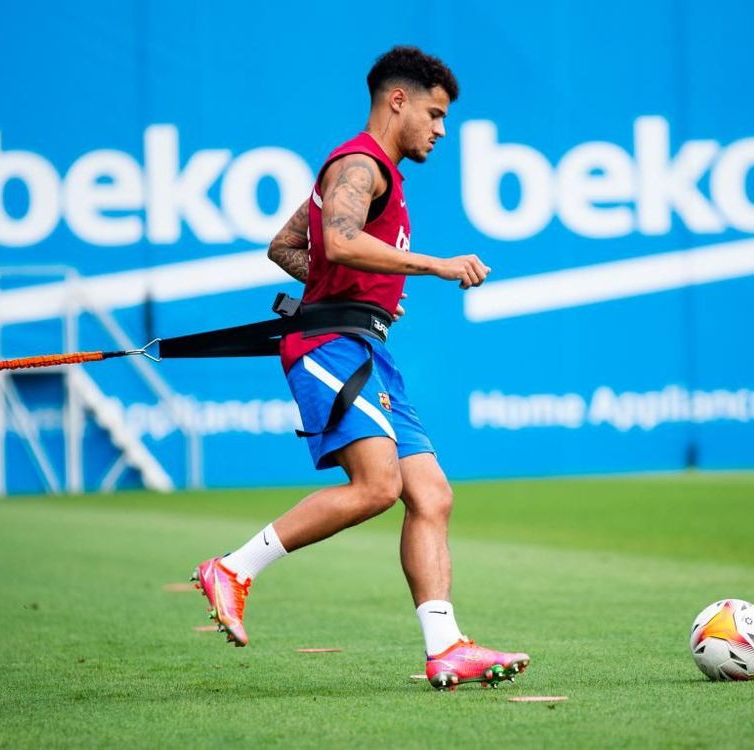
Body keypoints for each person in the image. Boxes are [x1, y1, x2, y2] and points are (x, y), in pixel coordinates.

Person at [191, 46, 529, 691]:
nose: (441, 130)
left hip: (365, 346)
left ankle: (446, 646)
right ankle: (233, 568)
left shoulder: (382, 176)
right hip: (331, 350)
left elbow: (289, 247)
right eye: (434, 114)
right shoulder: (359, 162)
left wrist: (355, 294)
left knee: (431, 495)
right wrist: (433, 265)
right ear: (396, 100)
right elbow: (340, 241)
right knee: (378, 488)